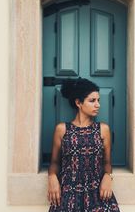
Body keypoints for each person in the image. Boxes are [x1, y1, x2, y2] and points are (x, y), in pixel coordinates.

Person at [47, 77, 120, 211]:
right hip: (68, 193)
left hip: (97, 192)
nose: (97, 104)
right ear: (78, 103)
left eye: (98, 100)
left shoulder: (103, 129)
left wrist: (108, 177)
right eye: (92, 101)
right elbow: (55, 162)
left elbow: (107, 163)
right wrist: (51, 177)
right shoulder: (62, 129)